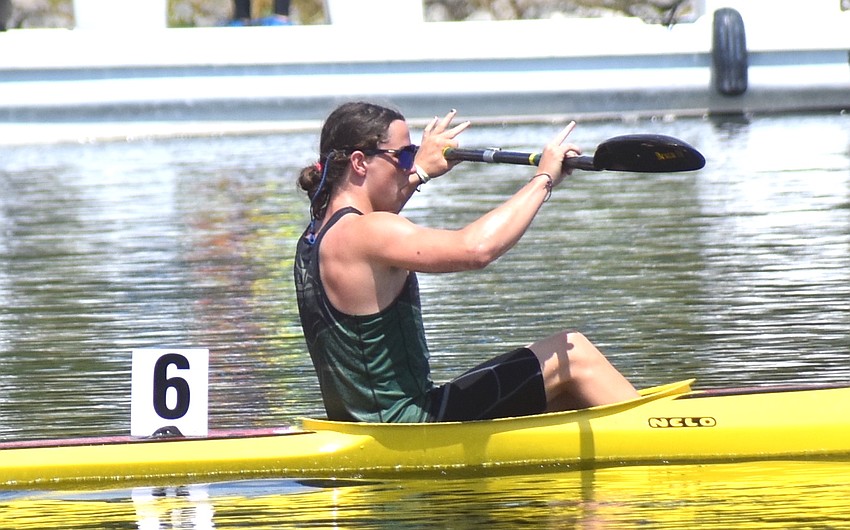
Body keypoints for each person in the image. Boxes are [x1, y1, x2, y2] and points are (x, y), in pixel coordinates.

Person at [294, 101, 639, 423]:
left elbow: (378, 213)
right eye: (404, 156)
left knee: (566, 394)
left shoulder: (316, 236)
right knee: (573, 354)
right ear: (359, 162)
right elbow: (476, 250)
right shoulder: (370, 232)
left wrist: (421, 172)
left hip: (373, 424)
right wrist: (543, 179)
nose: (409, 166)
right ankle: (658, 434)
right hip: (412, 424)